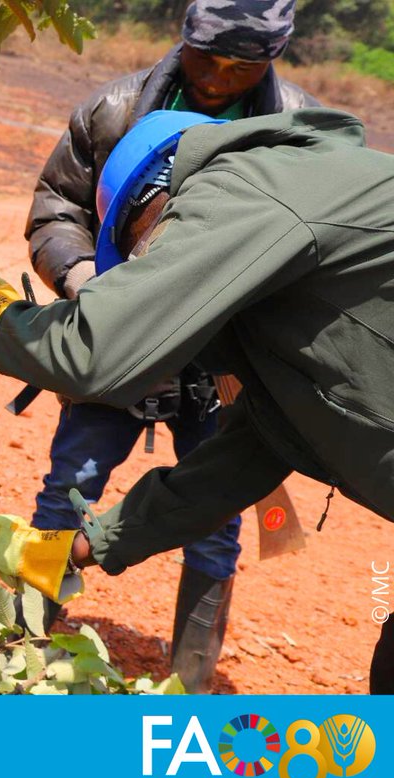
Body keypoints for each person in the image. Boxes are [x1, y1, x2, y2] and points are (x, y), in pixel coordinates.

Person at [0, 106, 394, 693]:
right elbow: (242, 459)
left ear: (159, 196)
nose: (154, 271)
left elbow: (97, 353)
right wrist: (74, 547)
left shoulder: (244, 185)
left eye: (144, 253)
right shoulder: (277, 285)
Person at [20, 0, 317, 691]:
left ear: (273, 58)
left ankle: (190, 677)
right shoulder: (115, 110)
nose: (216, 77)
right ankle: (23, 637)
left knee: (213, 516)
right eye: (204, 56)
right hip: (116, 342)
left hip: (228, 370)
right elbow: (55, 206)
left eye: (241, 66)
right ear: (182, 37)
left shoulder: (301, 130)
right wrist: (83, 278)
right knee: (68, 492)